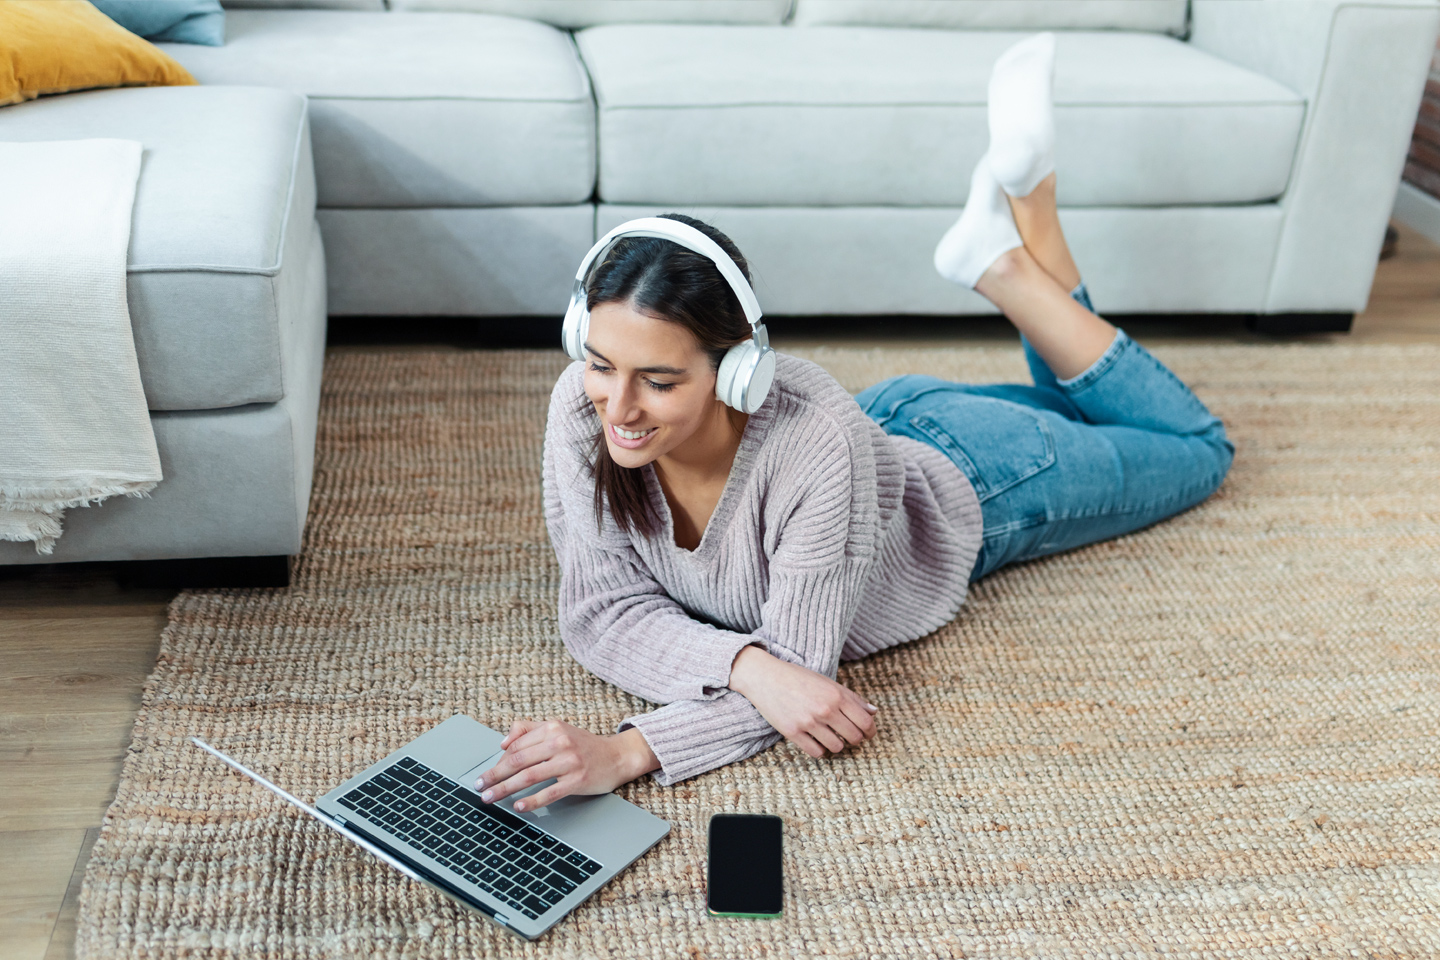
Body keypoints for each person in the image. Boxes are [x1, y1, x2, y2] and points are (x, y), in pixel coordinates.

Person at [474, 34, 1234, 812]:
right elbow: (604, 614)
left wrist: (629, 750)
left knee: (1199, 450)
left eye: (660, 380)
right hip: (876, 443)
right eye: (601, 363)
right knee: (1092, 405)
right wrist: (749, 668)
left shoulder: (811, 447)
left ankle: (1012, 256)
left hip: (987, 476)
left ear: (739, 370)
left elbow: (805, 669)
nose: (619, 408)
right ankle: (1016, 226)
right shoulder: (581, 404)